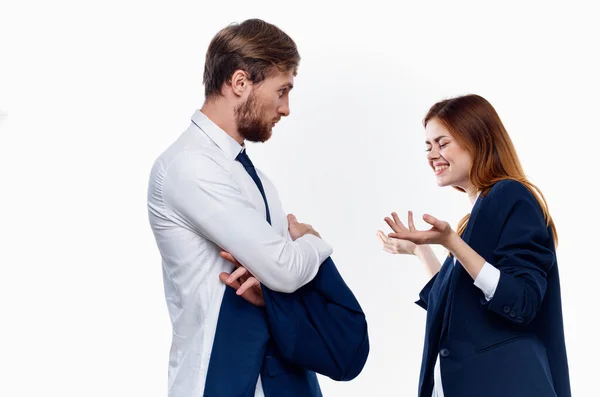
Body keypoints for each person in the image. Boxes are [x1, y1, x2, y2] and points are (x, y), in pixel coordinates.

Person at [147, 18, 368, 397]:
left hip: (281, 379)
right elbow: (283, 269)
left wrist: (284, 262)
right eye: (281, 91)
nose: (285, 109)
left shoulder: (254, 178)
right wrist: (314, 241)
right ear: (239, 83)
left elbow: (280, 274)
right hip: (219, 380)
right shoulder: (190, 166)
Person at [378, 94, 571, 397]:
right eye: (428, 146)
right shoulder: (474, 219)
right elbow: (453, 303)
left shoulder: (510, 194)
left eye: (442, 143)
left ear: (477, 140)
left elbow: (523, 301)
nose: (432, 155)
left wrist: (452, 242)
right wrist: (422, 250)